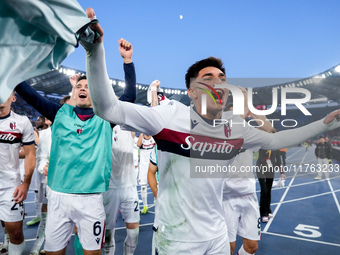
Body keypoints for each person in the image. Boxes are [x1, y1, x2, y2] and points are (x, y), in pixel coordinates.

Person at [82, 8, 340, 254]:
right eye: (208, 78)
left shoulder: (235, 127)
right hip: (175, 238)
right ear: (192, 92)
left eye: (222, 78)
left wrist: (325, 123)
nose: (218, 82)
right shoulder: (170, 115)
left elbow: (278, 139)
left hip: (217, 236)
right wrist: (95, 51)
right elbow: (108, 109)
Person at [14, 37, 136, 255]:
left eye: (88, 86)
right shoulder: (58, 112)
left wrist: (127, 61)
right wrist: (11, 64)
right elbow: (27, 92)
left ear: (96, 93)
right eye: (79, 85)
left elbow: (130, 96)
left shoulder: (105, 118)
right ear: (73, 92)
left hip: (91, 199)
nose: (82, 88)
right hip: (59, 197)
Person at [0, 91, 36, 254]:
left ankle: (9, 240)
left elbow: (30, 154)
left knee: (16, 233)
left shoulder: (22, 122)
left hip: (10, 186)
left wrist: (26, 183)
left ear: (13, 99)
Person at [30, 116, 52, 255]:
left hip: (72, 184)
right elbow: (40, 156)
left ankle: (50, 246)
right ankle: (37, 247)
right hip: (46, 179)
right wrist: (43, 166)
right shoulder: (45, 134)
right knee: (45, 214)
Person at [137, 133, 156, 214]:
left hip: (152, 166)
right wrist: (141, 133)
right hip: (143, 167)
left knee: (156, 184)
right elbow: (138, 144)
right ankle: (145, 206)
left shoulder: (153, 138)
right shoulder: (141, 139)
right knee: (143, 186)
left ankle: (156, 200)